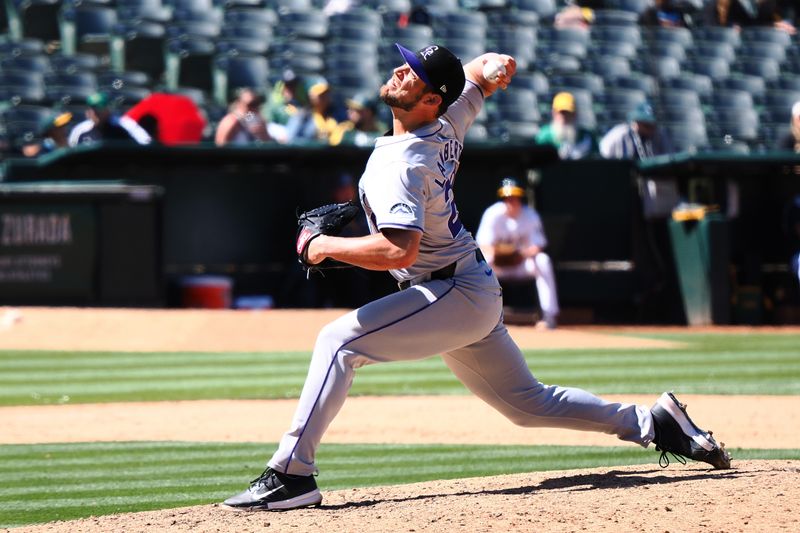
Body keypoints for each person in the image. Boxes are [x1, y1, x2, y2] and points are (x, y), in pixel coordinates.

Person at [222, 43, 730, 512]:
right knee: (528, 405)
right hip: (463, 287)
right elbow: (475, 80)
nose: (399, 71)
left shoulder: (406, 163)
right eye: (405, 65)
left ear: (428, 99)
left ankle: (292, 473)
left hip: (450, 291)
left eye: (412, 73)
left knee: (338, 342)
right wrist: (492, 66)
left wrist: (320, 247)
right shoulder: (446, 123)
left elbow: (400, 248)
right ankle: (654, 422)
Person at [475, 177, 560, 330]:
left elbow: (538, 246)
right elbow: (483, 244)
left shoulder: (530, 215)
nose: (510, 201)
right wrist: (501, 253)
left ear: (520, 198)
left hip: (521, 264)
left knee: (543, 260)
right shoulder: (493, 214)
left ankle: (549, 316)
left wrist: (519, 254)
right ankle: (478, 317)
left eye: (514, 197)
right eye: (507, 198)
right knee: (482, 262)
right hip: (499, 266)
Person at [68, 92, 152, 147]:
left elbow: (146, 142)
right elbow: (70, 151)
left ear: (108, 110)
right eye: (93, 110)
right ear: (88, 112)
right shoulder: (80, 130)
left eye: (99, 110)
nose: (96, 113)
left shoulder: (125, 125)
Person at [599, 101, 674, 160]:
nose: (652, 129)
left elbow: (668, 159)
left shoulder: (660, 134)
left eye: (653, 125)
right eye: (646, 125)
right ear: (635, 123)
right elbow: (605, 156)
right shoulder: (620, 134)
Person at [535, 92, 598, 160]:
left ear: (575, 114)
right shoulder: (545, 136)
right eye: (561, 112)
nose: (564, 116)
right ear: (554, 113)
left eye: (568, 113)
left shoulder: (587, 136)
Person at [284, 77, 342, 144]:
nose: (324, 97)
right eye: (320, 95)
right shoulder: (302, 116)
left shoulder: (337, 113)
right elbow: (291, 140)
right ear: (310, 97)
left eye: (326, 93)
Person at [266, 69, 308, 143]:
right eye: (288, 85)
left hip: (299, 140)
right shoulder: (274, 105)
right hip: (277, 142)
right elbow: (267, 125)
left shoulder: (303, 105)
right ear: (282, 87)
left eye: (294, 85)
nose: (291, 89)